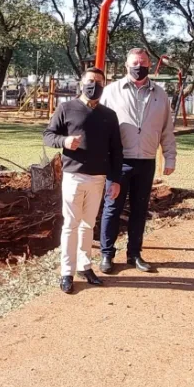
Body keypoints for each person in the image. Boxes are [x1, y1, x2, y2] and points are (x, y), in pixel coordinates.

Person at [44, 67, 123, 294]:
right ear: (81, 83)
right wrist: (65, 141)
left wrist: (115, 179)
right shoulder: (66, 108)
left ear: (104, 86)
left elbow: (117, 150)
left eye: (99, 82)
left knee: (88, 224)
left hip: (98, 178)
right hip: (73, 175)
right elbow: (48, 135)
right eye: (90, 81)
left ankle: (85, 266)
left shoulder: (109, 115)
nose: (94, 85)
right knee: (71, 224)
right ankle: (66, 272)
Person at [99, 48, 177, 274]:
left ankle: (134, 254)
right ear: (126, 65)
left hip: (146, 161)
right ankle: (107, 254)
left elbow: (167, 130)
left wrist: (169, 157)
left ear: (149, 65)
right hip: (118, 161)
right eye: (135, 62)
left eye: (143, 62)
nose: (138, 66)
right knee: (112, 208)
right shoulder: (111, 91)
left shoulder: (160, 94)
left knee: (139, 210)